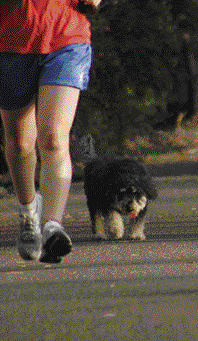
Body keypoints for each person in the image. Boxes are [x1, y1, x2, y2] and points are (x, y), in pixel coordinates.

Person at [0, 0, 102, 263]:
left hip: (67, 37)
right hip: (9, 43)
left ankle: (52, 227)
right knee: (21, 144)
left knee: (54, 138)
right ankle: (28, 213)